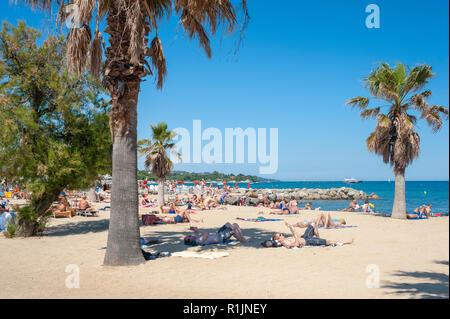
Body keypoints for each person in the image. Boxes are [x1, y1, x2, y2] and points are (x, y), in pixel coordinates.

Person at [272, 221, 354, 248]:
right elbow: (296, 244)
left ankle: (318, 236)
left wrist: (290, 226)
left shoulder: (285, 239)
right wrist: (295, 235)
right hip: (308, 241)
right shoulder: (286, 243)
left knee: (313, 223)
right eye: (281, 235)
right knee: (328, 241)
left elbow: (293, 232)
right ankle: (346, 242)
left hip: (305, 237)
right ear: (278, 239)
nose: (282, 235)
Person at [184, 223, 250, 246]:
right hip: (221, 238)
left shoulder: (196, 238)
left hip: (219, 234)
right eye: (189, 237)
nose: (190, 235)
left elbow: (196, 231)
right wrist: (197, 230)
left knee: (228, 224)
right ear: (190, 240)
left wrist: (193, 229)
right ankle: (243, 240)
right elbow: (206, 234)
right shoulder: (198, 241)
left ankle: (241, 239)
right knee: (235, 225)